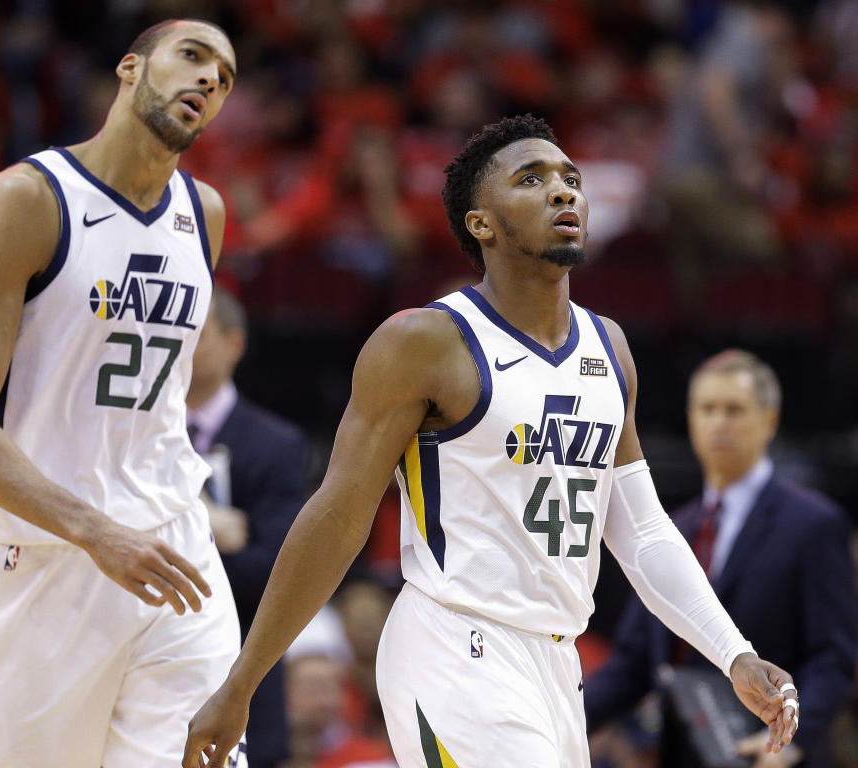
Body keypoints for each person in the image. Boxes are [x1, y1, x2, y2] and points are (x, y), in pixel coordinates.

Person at [184, 114, 800, 768]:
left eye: (570, 178)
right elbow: (336, 517)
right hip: (454, 644)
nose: (562, 192)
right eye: (530, 180)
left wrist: (732, 653)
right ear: (480, 223)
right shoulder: (423, 341)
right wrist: (242, 682)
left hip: (557, 661)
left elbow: (640, 529)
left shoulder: (609, 348)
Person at [0, 18, 247, 768]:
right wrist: (94, 529)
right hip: (36, 563)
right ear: (130, 68)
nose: (207, 81)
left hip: (171, 554)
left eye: (224, 78)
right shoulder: (24, 199)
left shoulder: (206, 215)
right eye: (191, 57)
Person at [584, 350, 857, 767]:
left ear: (769, 420)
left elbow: (834, 658)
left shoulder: (814, 524)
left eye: (734, 409)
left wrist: (792, 739)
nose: (719, 422)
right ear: (691, 419)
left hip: (769, 754)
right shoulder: (668, 530)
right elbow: (633, 663)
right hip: (684, 753)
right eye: (707, 409)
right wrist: (562, 720)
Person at [188, 288, 311, 768]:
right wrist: (210, 529)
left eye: (195, 335)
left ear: (233, 343)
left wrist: (179, 545)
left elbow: (276, 571)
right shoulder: (136, 435)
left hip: (244, 668)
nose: (179, 346)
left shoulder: (277, 444)